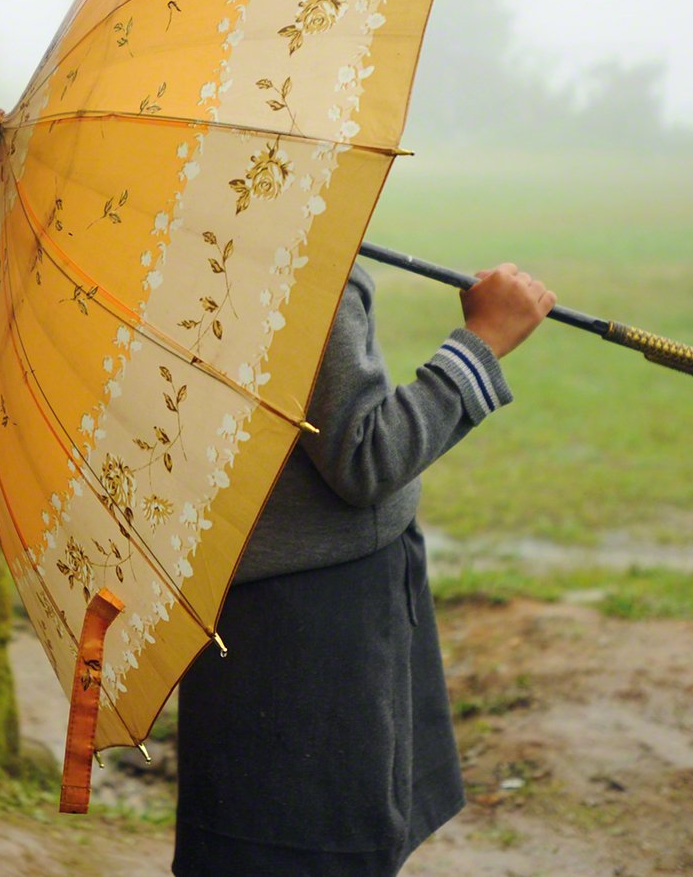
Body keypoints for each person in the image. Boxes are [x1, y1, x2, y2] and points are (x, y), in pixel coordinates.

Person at [173, 261, 556, 877]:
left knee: (244, 844)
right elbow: (365, 456)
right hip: (320, 624)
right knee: (315, 851)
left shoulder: (184, 242)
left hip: (232, 594)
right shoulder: (297, 257)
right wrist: (483, 343)